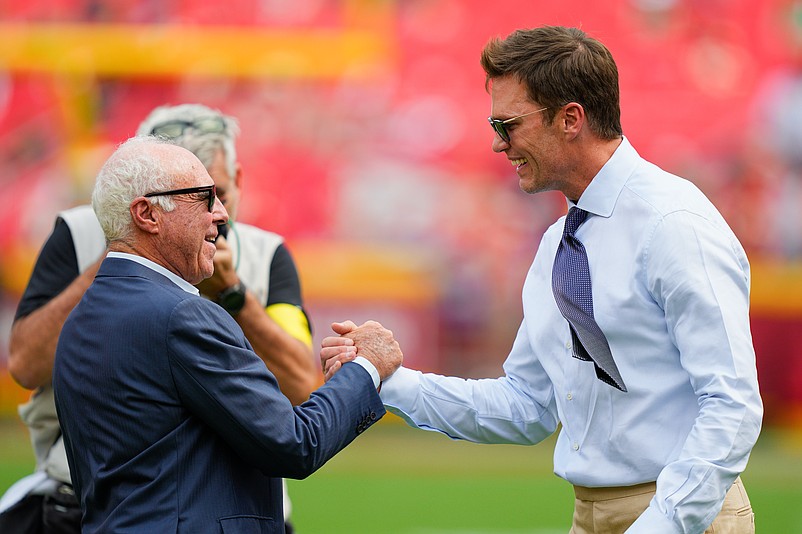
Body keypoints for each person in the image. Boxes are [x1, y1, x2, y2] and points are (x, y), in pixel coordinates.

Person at [321, 26, 763, 534]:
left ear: (570, 119)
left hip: (685, 515)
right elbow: (526, 407)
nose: (495, 143)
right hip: (592, 515)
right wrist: (385, 379)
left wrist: (661, 523)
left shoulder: (673, 223)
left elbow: (732, 404)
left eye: (507, 124)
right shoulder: (560, 241)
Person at [50, 135, 401, 532]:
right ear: (147, 214)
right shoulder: (183, 316)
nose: (222, 215)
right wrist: (367, 370)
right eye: (203, 198)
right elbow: (293, 444)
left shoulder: (80, 320)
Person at [1, 104, 318, 533]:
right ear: (143, 203)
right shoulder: (79, 233)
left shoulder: (266, 253)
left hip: (235, 510)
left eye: (216, 193)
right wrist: (124, 258)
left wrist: (235, 298)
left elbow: (303, 388)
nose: (210, 215)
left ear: (238, 183)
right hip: (82, 501)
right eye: (183, 198)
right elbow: (25, 364)